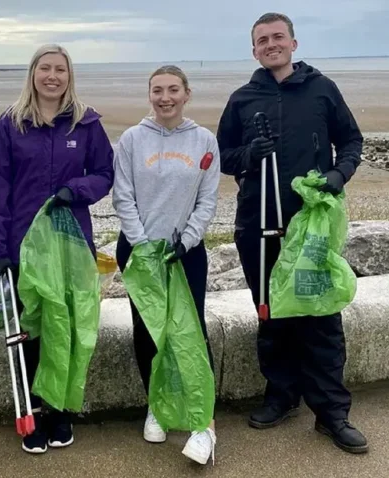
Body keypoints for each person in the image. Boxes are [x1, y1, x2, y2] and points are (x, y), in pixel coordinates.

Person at [216, 12, 367, 454]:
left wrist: (340, 174)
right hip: (257, 223)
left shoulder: (322, 89)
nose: (271, 45)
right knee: (271, 313)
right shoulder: (243, 98)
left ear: (293, 43)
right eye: (262, 40)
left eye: (277, 37)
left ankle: (332, 412)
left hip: (311, 226)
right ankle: (281, 395)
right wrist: (249, 154)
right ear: (254, 50)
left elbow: (352, 141)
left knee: (320, 318)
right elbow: (224, 155)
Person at [0, 43, 114, 454]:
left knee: (67, 327)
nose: (52, 76)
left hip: (71, 244)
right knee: (31, 329)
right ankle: (31, 409)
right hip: (24, 243)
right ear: (33, 74)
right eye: (45, 68)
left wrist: (73, 190)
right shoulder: (10, 123)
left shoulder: (86, 123)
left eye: (60, 69)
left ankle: (60, 408)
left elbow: (105, 173)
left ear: (69, 75)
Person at [112, 65, 220, 465]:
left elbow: (207, 199)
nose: (165, 97)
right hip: (140, 253)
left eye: (173, 89)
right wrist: (142, 245)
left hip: (185, 254)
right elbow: (122, 195)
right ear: (149, 95)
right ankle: (155, 404)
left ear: (187, 94)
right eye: (157, 90)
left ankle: (202, 421)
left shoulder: (204, 139)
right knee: (148, 331)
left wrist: (187, 239)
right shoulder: (132, 139)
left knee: (192, 333)